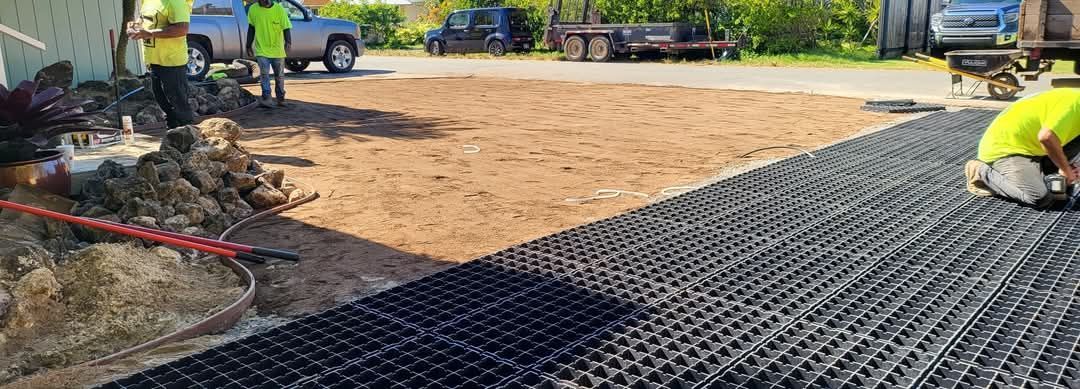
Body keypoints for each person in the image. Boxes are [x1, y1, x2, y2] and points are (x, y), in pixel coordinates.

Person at [965, 88, 1080, 208]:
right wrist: (1065, 169)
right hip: (1007, 149)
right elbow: (1046, 137)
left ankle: (1054, 171)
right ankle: (981, 172)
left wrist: (1074, 166)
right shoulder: (1075, 105)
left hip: (1032, 145)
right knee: (1039, 198)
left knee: (1060, 193)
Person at [128, 0, 195, 128]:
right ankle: (173, 135)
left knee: (179, 104)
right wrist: (133, 26)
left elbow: (182, 29)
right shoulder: (147, 1)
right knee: (163, 102)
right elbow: (143, 20)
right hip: (154, 61)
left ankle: (190, 137)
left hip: (172, 62)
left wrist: (149, 34)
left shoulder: (176, 2)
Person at [246, 0, 292, 107]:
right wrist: (248, 45)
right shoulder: (253, 9)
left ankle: (281, 98)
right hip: (261, 49)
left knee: (279, 76)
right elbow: (251, 28)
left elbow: (286, 27)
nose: (264, 2)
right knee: (264, 75)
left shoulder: (279, 9)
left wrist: (288, 42)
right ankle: (267, 98)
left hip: (277, 50)